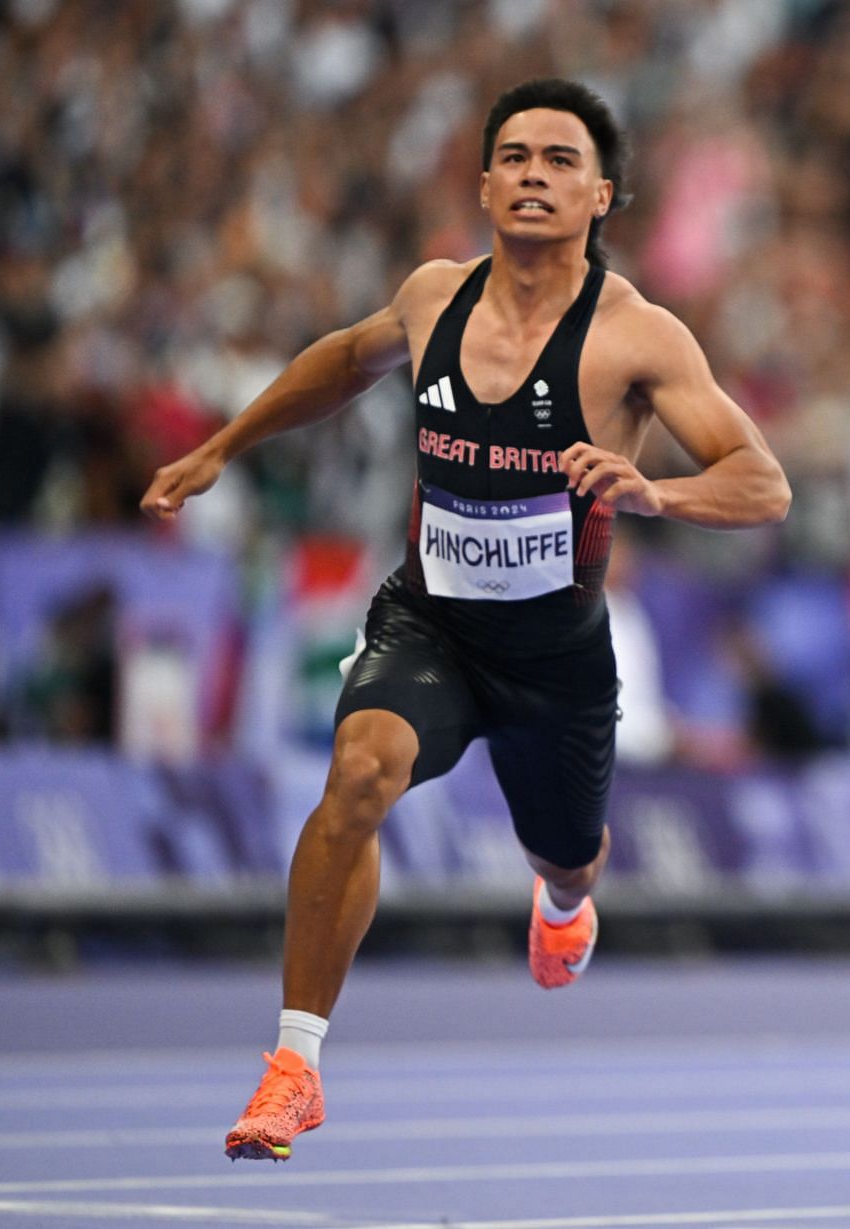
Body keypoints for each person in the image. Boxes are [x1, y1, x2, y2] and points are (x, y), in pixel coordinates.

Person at [139, 78, 790, 1162]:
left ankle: (567, 894)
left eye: (560, 160)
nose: (535, 174)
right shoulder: (435, 297)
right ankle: (295, 1064)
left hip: (559, 662)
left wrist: (652, 492)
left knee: (568, 855)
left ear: (602, 196)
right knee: (358, 773)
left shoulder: (635, 336)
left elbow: (761, 483)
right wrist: (223, 445)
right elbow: (344, 362)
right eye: (516, 156)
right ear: (484, 181)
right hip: (431, 626)